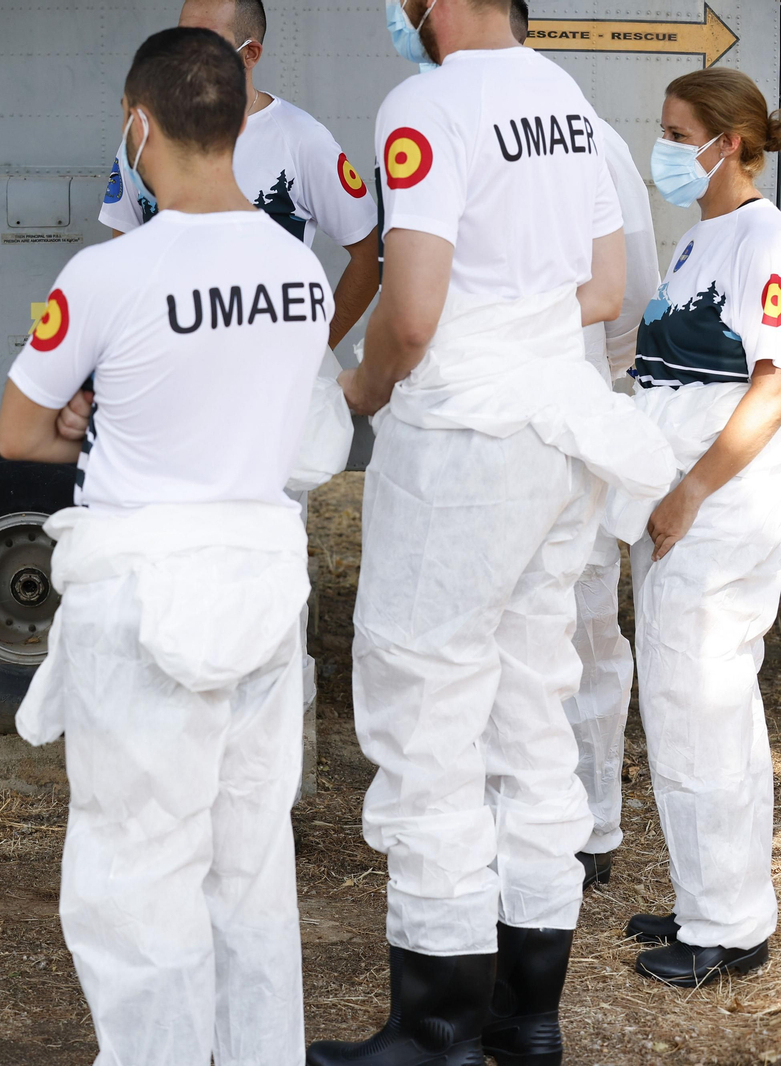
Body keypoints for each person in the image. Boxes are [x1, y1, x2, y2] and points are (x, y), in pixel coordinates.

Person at [308, 3, 675, 1064]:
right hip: (558, 426)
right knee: (529, 707)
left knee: (425, 710)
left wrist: (361, 390)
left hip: (464, 436)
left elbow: (411, 313)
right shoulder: (566, 102)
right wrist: (517, 322)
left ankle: (433, 1025)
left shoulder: (426, 103)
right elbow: (603, 289)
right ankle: (526, 1013)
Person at [0, 28, 332, 1065]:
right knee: (248, 864)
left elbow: (18, 430)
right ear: (241, 120)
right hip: (261, 582)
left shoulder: (109, 272)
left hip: (144, 592)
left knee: (136, 872)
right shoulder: (300, 272)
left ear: (137, 125)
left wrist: (85, 418)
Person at [613, 67, 781, 987]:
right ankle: (708, 897)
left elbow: (772, 385)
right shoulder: (701, 238)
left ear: (730, 143)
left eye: (680, 134)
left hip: (716, 510)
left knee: (703, 710)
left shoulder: (762, 235)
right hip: (678, 506)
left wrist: (690, 493)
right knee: (682, 709)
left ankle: (729, 926)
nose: (667, 149)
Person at [511, 0, 661, 891]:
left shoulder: (587, 135)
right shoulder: (446, 119)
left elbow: (629, 290)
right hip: (505, 416)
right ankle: (530, 811)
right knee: (518, 622)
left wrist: (587, 383)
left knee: (582, 616)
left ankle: (592, 824)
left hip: (562, 412)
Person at [100, 0, 380, 353]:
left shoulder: (301, 139)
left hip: (269, 384)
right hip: (170, 375)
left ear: (250, 54)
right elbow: (122, 257)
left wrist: (315, 350)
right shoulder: (142, 138)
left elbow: (370, 254)